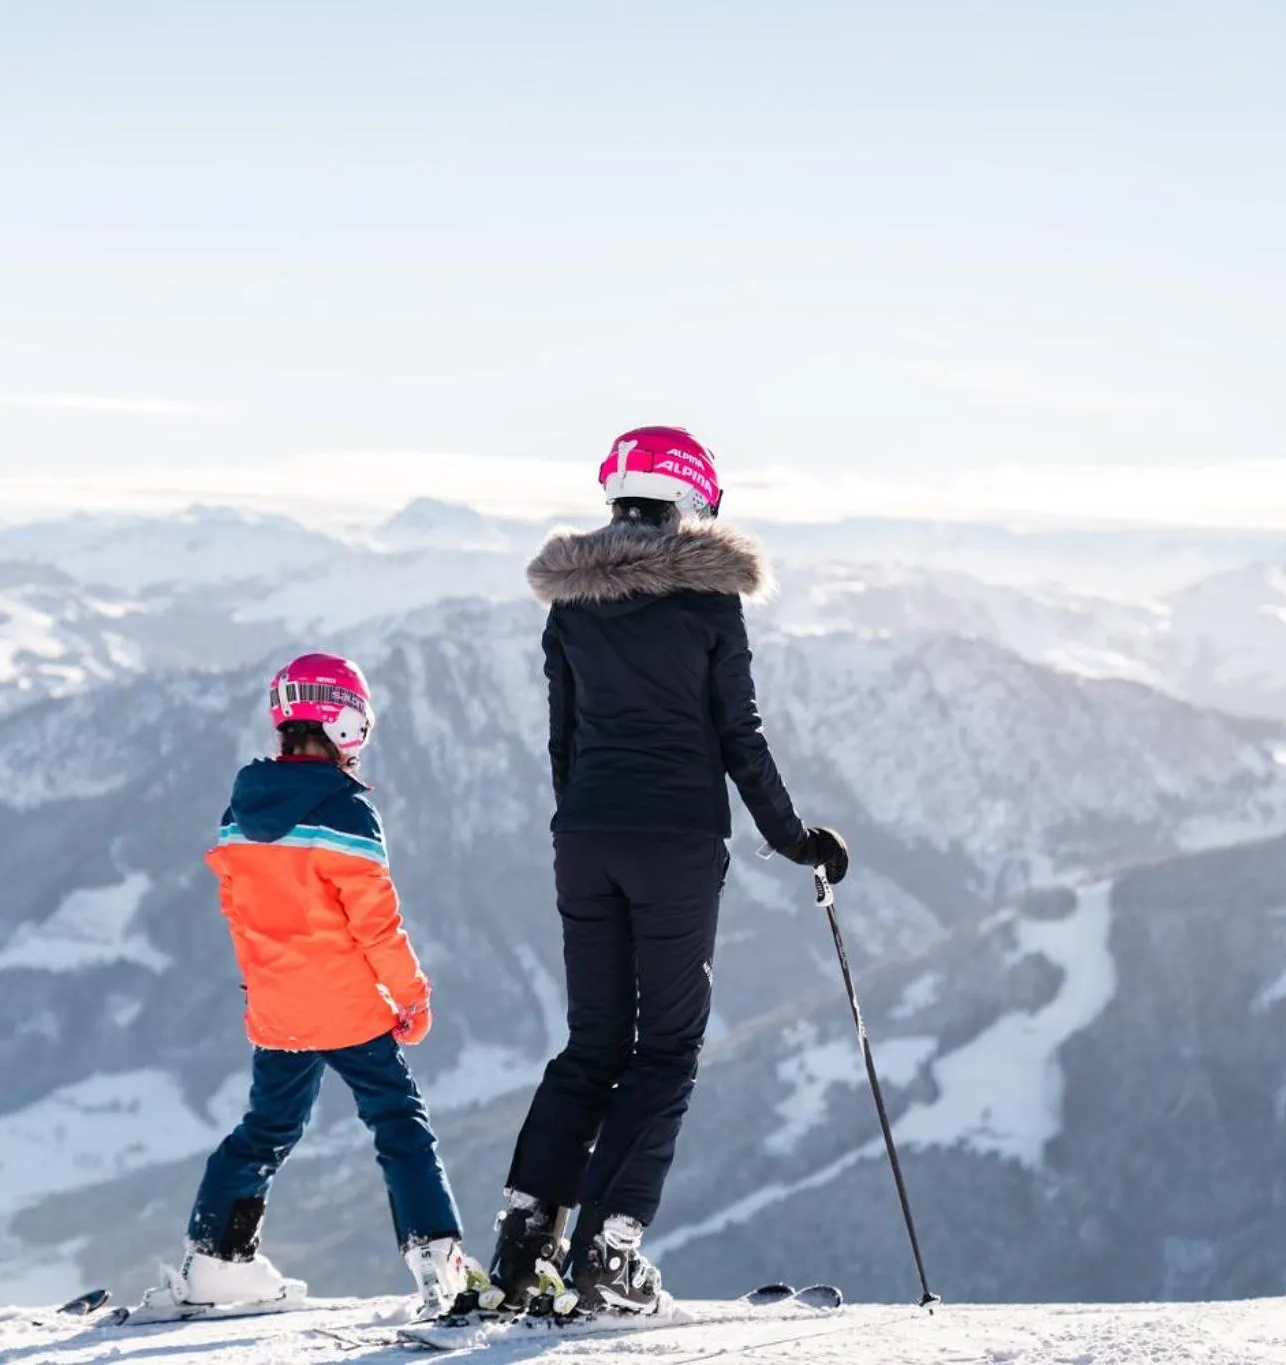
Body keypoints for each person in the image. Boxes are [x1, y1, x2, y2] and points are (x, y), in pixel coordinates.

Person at [484, 428, 849, 1316]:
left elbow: (562, 739)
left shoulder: (569, 605)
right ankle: (608, 1255)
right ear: (690, 502)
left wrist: (586, 825)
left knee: (592, 1042)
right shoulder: (710, 604)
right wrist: (797, 839)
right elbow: (740, 738)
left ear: (614, 495)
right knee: (668, 1046)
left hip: (586, 838)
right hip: (676, 843)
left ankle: (525, 1241)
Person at [164, 654, 485, 1319]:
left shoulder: (241, 808)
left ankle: (215, 1261)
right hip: (349, 1007)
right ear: (345, 724)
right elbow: (377, 923)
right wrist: (412, 994)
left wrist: (262, 989)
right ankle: (438, 1259)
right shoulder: (346, 810)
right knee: (398, 1121)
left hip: (277, 1006)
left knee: (266, 1129)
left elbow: (241, 914)